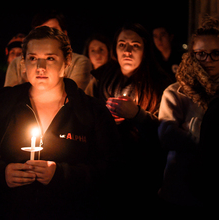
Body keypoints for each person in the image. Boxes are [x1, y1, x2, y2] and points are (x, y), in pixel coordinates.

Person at [0, 26, 120, 219]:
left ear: (67, 62)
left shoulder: (90, 111)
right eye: (33, 58)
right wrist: (0, 173)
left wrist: (62, 174)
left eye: (50, 58)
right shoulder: (2, 105)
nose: (40, 67)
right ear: (24, 62)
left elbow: (114, 170)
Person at [85, 23, 170, 211]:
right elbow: (87, 113)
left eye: (135, 45)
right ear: (115, 49)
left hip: (142, 170)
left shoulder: (160, 83)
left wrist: (137, 115)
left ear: (145, 49)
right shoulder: (101, 78)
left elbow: (166, 131)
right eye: (122, 44)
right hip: (106, 164)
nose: (128, 51)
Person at [158, 16, 219, 211]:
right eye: (200, 53)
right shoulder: (176, 92)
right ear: (192, 55)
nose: (207, 60)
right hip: (181, 191)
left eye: (215, 53)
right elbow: (167, 135)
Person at [4, 9, 92, 90]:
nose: (47, 37)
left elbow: (73, 97)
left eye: (54, 31)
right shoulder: (17, 64)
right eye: (41, 32)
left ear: (64, 34)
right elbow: (7, 98)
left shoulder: (79, 62)